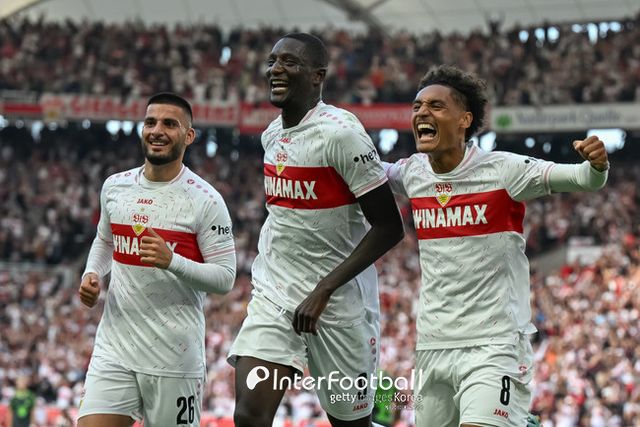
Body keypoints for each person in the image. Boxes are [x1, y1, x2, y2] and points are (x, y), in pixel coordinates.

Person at [383, 65, 609, 427]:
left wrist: (595, 165)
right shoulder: (413, 173)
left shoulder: (503, 170)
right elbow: (363, 171)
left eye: (436, 106)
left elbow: (582, 178)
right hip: (432, 345)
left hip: (495, 345)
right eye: (417, 106)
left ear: (465, 120)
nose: (422, 113)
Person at [228, 33, 404, 427]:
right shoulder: (272, 134)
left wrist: (324, 289)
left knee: (350, 423)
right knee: (249, 415)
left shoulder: (342, 134)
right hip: (276, 293)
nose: (275, 69)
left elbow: (390, 227)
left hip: (337, 305)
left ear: (317, 76)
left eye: (289, 62)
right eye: (273, 61)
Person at [77, 93, 236, 427]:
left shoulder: (205, 200)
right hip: (114, 349)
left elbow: (225, 278)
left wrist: (172, 261)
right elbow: (105, 240)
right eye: (150, 122)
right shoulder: (115, 187)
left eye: (169, 124)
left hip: (174, 358)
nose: (157, 131)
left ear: (189, 136)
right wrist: (92, 273)